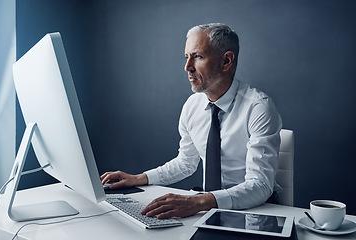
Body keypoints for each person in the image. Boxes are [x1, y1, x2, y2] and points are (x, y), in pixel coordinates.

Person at [101, 23, 282, 219]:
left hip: (255, 213)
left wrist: (197, 203)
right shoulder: (192, 106)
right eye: (187, 57)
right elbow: (186, 162)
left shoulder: (258, 107)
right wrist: (138, 179)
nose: (187, 67)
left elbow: (261, 185)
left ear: (226, 61)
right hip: (207, 208)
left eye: (198, 57)